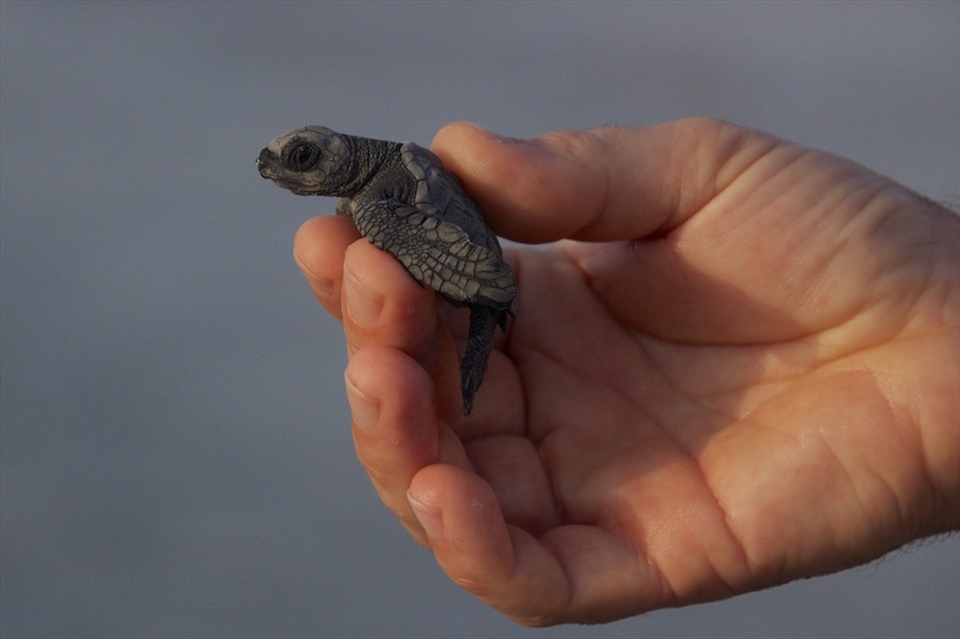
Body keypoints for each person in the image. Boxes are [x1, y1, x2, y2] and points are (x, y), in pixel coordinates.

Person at [291, 118, 959, 626]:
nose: (284, 169)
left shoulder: (377, 200)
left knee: (378, 243)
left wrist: (930, 297)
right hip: (477, 261)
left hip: (478, 271)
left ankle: (482, 324)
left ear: (344, 156)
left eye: (302, 158)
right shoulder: (380, 184)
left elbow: (446, 233)